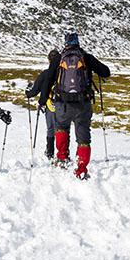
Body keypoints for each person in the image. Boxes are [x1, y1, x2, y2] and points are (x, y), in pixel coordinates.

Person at [52, 32, 111, 179]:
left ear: (65, 43)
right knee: (83, 138)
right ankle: (81, 169)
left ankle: (62, 159)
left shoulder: (59, 58)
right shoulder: (86, 57)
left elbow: (49, 76)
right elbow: (106, 72)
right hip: (82, 104)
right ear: (78, 42)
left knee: (61, 128)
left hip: (63, 104)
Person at [25, 49, 61, 159]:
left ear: (49, 60)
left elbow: (35, 90)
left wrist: (28, 93)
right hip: (64, 104)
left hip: (50, 104)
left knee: (51, 128)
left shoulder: (46, 73)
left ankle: (50, 152)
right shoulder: (63, 73)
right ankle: (63, 153)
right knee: (62, 129)